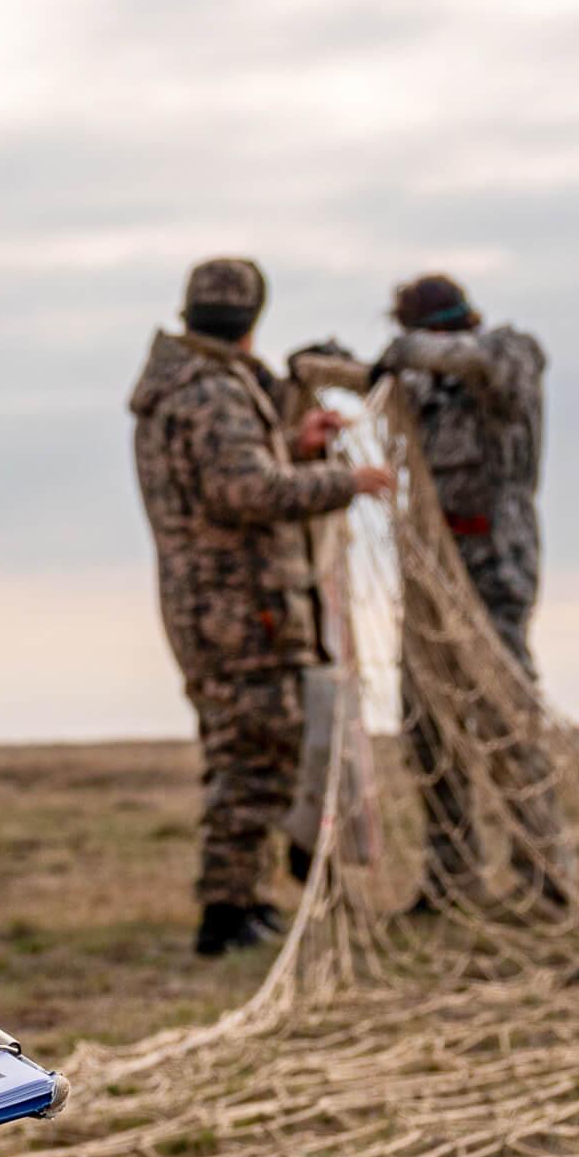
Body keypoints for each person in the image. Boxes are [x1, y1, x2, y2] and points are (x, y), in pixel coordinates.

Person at [129, 259, 395, 956]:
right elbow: (244, 491)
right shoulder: (213, 392)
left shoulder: (185, 388)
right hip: (241, 609)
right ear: (252, 321)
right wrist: (343, 479)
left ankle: (242, 900)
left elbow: (235, 474)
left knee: (250, 751)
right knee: (252, 755)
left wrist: (292, 447)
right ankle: (227, 911)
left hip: (226, 606)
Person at [300, 275, 562, 910]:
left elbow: (472, 362)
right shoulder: (418, 380)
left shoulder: (510, 352)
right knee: (427, 723)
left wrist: (404, 351)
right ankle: (452, 882)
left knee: (504, 715)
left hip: (494, 559)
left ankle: (545, 881)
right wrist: (321, 364)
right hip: (430, 572)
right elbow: (374, 378)